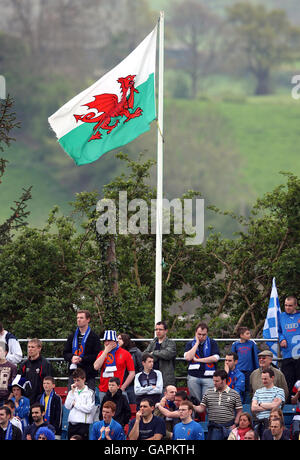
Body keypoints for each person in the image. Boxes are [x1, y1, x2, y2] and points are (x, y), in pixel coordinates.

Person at [194, 369, 243, 440]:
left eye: (217, 381)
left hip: (229, 428)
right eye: (213, 380)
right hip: (214, 428)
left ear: (224, 380)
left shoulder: (234, 394)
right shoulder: (208, 392)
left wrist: (235, 424)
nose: (214, 383)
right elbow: (201, 409)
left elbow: (239, 411)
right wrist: (191, 406)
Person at [93, 330, 135, 405]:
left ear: (115, 341)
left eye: (109, 340)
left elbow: (132, 373)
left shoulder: (125, 353)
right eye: (105, 341)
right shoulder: (102, 353)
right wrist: (105, 352)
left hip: (119, 389)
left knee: (121, 414)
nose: (106, 343)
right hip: (104, 390)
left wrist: (123, 387)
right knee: (104, 414)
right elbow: (96, 367)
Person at [63, 310, 101, 392]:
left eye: (81, 318)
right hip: (74, 373)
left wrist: (82, 359)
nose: (78, 320)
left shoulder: (94, 337)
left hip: (89, 373)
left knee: (89, 399)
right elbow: (65, 353)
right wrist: (71, 358)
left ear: (88, 320)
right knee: (72, 398)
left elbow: (97, 355)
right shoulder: (72, 336)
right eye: (77, 318)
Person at [184, 322, 220, 404]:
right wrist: (196, 343)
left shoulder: (212, 343)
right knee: (195, 402)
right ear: (195, 333)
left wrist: (198, 360)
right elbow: (188, 357)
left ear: (207, 334)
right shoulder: (190, 344)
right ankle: (197, 417)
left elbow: (215, 358)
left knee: (208, 403)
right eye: (199, 334)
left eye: (204, 335)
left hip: (209, 377)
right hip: (193, 377)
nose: (201, 337)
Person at [251, 367, 285, 438]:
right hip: (259, 423)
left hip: (273, 423)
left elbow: (275, 405)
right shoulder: (258, 391)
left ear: (272, 378)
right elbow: (253, 408)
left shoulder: (279, 391)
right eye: (262, 379)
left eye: (265, 379)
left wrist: (260, 404)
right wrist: (269, 405)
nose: (263, 381)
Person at [278, 296, 300, 401]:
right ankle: (288, 410)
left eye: (290, 305)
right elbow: (278, 331)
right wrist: (281, 339)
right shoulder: (281, 316)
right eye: (286, 305)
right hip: (287, 355)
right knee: (287, 382)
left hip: (299, 355)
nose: (287, 308)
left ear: (296, 305)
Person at [19, 338, 53, 405]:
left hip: (40, 398)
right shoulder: (24, 364)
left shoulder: (45, 364)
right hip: (26, 398)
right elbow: (20, 381)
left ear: (39, 348)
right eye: (28, 347)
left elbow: (49, 382)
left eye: (32, 347)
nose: (30, 349)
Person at [64, 368, 95, 441]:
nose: (76, 383)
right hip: (72, 424)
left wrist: (75, 404)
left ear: (84, 379)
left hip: (83, 425)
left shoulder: (90, 392)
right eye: (74, 380)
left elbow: (89, 409)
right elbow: (67, 406)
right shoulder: (72, 392)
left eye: (78, 380)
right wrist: (72, 392)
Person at [144, 321, 176, 388]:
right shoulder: (153, 342)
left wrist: (154, 353)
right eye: (156, 329)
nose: (158, 331)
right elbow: (145, 354)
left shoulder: (171, 343)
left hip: (165, 378)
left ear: (166, 331)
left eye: (160, 329)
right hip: (152, 376)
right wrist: (158, 354)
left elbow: (167, 354)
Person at [231, 327, 259, 400]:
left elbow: (255, 357)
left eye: (249, 333)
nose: (249, 335)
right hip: (238, 370)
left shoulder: (252, 343)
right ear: (241, 335)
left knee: (248, 389)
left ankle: (247, 405)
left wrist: (257, 369)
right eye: (247, 334)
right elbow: (232, 357)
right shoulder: (235, 344)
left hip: (249, 370)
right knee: (239, 387)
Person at [117, 333, 143, 404]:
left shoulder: (136, 352)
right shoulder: (116, 352)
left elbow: (141, 367)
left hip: (132, 384)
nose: (117, 340)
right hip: (119, 383)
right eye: (117, 339)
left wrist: (137, 380)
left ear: (125, 340)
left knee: (133, 405)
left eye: (120, 339)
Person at [0, 342, 17, 406]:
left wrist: (9, 399)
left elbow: (14, 384)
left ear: (5, 352)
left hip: (5, 399)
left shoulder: (12, 367)